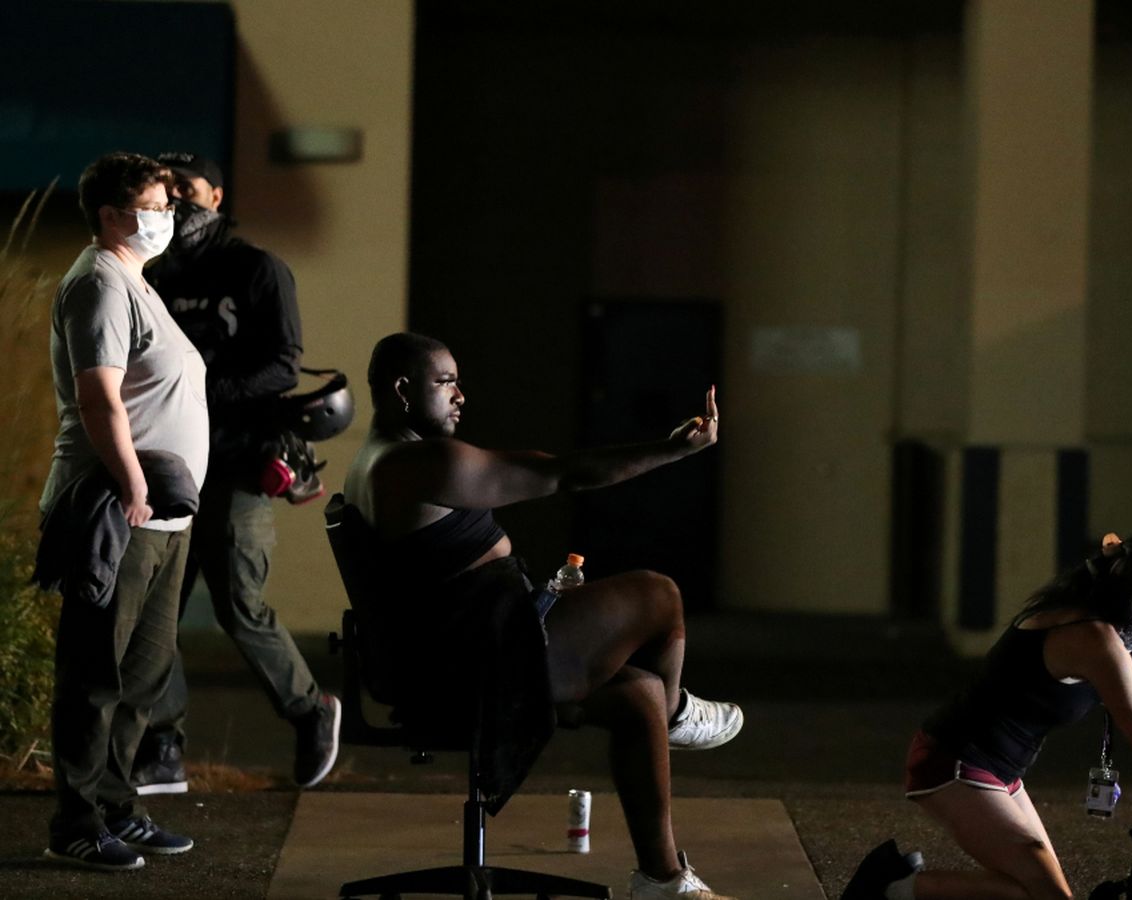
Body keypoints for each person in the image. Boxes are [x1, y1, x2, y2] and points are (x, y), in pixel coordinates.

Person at [344, 332, 743, 900]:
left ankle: (662, 879)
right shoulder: (420, 462)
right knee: (658, 594)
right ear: (404, 391)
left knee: (637, 695)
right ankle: (681, 712)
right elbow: (563, 473)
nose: (461, 395)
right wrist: (674, 449)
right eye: (445, 382)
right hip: (480, 665)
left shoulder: (374, 457)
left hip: (454, 656)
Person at [841, 531, 1132, 900]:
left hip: (996, 769)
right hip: (954, 763)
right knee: (1048, 896)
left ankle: (895, 887)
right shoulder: (1092, 639)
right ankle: (888, 890)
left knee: (1036, 891)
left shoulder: (1091, 608)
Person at [130, 152, 339, 795]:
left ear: (217, 197)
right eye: (168, 194)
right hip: (167, 461)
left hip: (237, 459)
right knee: (153, 607)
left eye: (188, 192)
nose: (178, 205)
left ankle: (309, 711)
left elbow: (282, 364)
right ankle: (163, 745)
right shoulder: (154, 274)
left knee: (238, 604)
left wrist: (198, 391)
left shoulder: (255, 269)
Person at [39, 152, 209, 871]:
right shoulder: (100, 284)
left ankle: (118, 805)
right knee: (95, 672)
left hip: (162, 517)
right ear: (111, 213)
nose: (166, 218)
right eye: (153, 205)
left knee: (141, 675)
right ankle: (77, 820)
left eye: (170, 205)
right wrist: (135, 485)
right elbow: (98, 396)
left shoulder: (138, 282)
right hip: (118, 512)